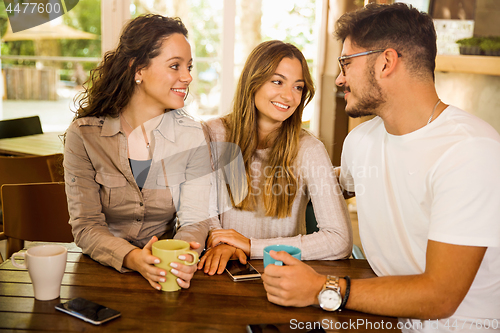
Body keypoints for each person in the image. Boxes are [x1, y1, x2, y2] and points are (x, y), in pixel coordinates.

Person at [261, 3, 500, 332]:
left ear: (386, 62)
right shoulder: (361, 141)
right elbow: (337, 186)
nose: (340, 78)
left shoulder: (470, 151)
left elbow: (441, 296)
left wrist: (321, 288)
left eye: (346, 63)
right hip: (384, 317)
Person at [64, 14, 212, 291]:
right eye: (175, 66)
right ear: (138, 70)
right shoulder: (84, 135)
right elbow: (86, 226)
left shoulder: (192, 136)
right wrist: (133, 258)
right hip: (102, 273)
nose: (188, 76)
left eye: (189, 66)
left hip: (167, 272)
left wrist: (183, 255)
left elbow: (195, 218)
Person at [198, 40, 352, 275]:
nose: (288, 96)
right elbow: (201, 211)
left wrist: (251, 246)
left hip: (285, 276)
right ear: (253, 82)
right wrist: (222, 242)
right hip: (219, 269)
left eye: (298, 87)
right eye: (277, 82)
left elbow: (340, 241)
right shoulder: (212, 134)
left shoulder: (309, 149)